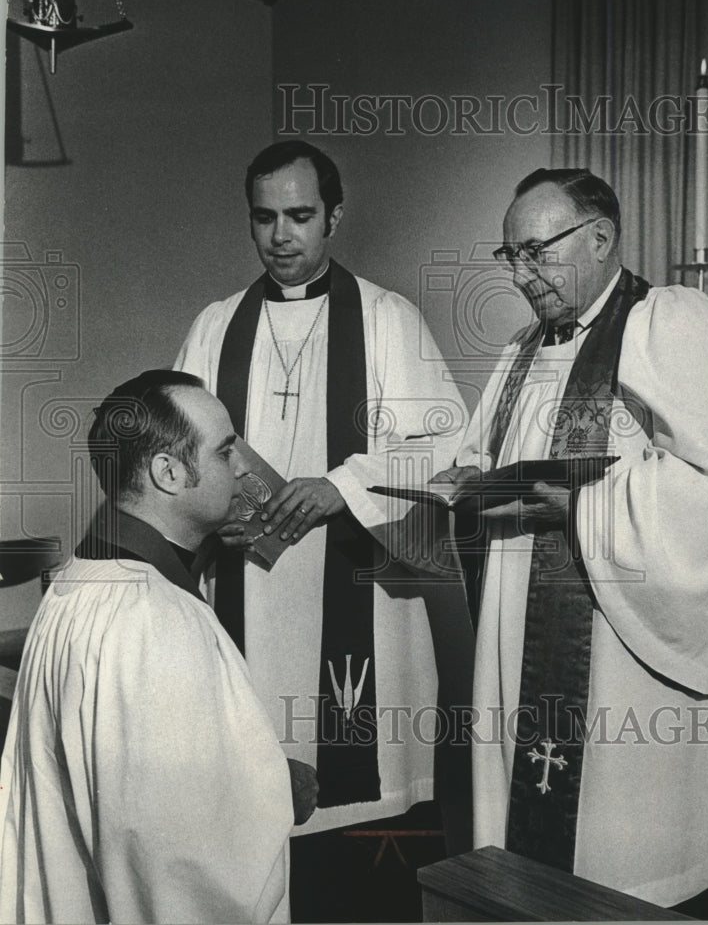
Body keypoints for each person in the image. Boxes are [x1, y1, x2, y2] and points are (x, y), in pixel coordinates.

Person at [439, 168, 708, 916]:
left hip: (626, 651)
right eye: (509, 255)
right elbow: (485, 454)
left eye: (537, 252)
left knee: (628, 866)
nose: (521, 274)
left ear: (602, 238)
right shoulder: (522, 351)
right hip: (522, 641)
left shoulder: (671, 322)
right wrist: (465, 475)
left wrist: (583, 507)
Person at [174, 140, 474, 917]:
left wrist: (343, 487)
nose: (282, 236)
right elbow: (172, 456)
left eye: (301, 216)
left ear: (334, 217)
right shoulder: (213, 328)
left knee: (357, 853)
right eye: (265, 218)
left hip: (358, 598)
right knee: (249, 826)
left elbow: (447, 447)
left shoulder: (387, 319)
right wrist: (213, 520)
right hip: (245, 591)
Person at [0, 370, 304, 924]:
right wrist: (277, 788)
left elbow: (126, 779)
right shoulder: (153, 619)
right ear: (168, 472)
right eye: (225, 451)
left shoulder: (81, 580)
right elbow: (172, 857)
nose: (244, 467)